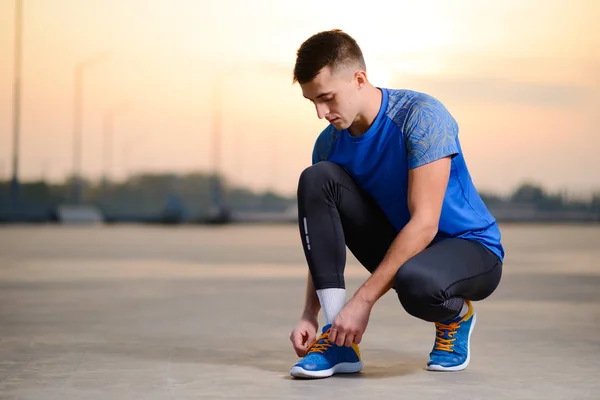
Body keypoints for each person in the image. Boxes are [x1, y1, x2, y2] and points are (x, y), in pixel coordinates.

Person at [288, 29, 504, 379]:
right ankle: (338, 338)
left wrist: (362, 302)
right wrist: (310, 313)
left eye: (327, 98)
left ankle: (455, 316)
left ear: (359, 79)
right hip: (401, 245)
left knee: (417, 282)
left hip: (470, 248)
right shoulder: (328, 145)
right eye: (312, 101)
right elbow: (323, 236)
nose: (320, 112)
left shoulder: (421, 117)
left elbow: (425, 223)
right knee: (316, 177)